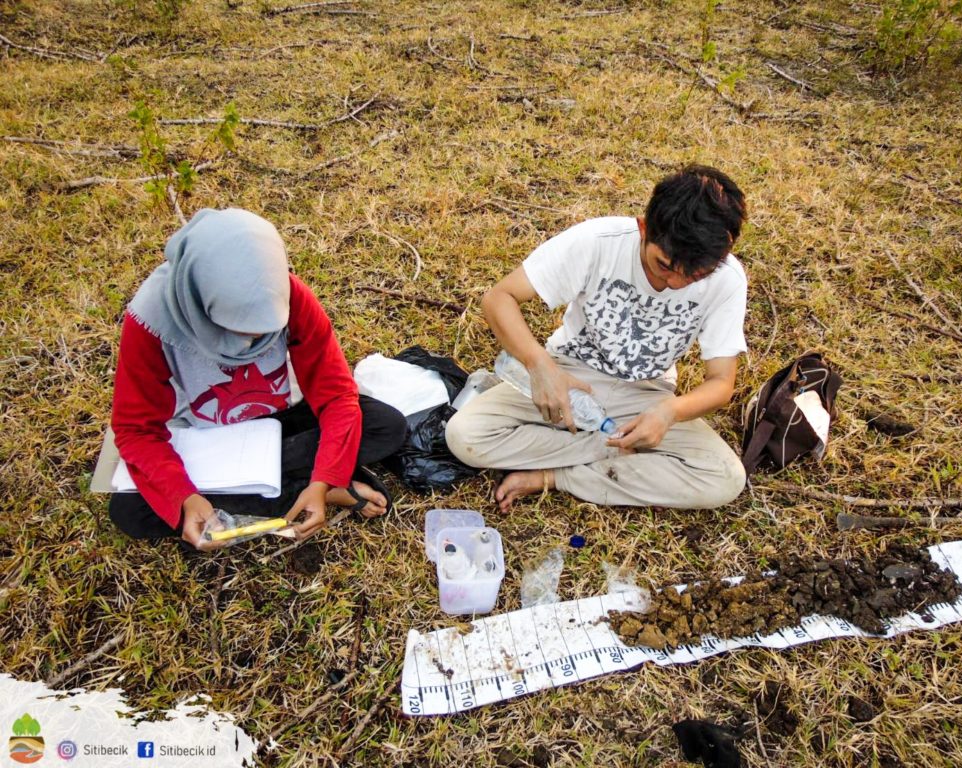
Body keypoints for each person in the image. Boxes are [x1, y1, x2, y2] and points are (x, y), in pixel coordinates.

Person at [446, 164, 748, 512]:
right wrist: (539, 364)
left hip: (646, 394)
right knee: (464, 436)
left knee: (723, 477)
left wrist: (669, 411)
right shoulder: (599, 241)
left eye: (695, 275)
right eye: (663, 265)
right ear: (643, 228)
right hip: (570, 376)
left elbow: (722, 382)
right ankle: (620, 454)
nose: (675, 284)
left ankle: (553, 476)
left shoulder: (727, 279)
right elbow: (499, 298)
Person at [108, 208, 407, 548]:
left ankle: (308, 486)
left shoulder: (288, 293)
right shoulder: (151, 322)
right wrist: (184, 497)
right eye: (233, 327)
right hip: (199, 436)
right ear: (200, 298)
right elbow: (135, 430)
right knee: (129, 509)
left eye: (264, 331)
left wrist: (322, 478)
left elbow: (336, 394)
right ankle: (320, 491)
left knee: (385, 425)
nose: (248, 344)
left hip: (277, 420)